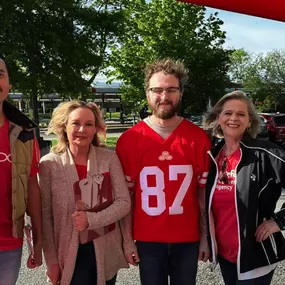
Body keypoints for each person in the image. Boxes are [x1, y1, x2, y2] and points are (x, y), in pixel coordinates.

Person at [116, 58, 211, 285]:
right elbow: (126, 198)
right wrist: (128, 241)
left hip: (187, 239)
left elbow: (202, 197)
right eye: (157, 90)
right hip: (148, 240)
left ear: (181, 93)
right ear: (147, 93)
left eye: (171, 89)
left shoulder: (198, 139)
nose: (164, 96)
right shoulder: (129, 140)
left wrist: (206, 238)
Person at [38, 100, 131, 285]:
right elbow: (45, 217)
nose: (83, 129)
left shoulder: (108, 159)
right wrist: (51, 261)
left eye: (89, 124)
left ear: (96, 128)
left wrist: (91, 220)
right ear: (64, 126)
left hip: (104, 250)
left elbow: (124, 202)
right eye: (76, 123)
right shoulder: (49, 164)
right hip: (68, 253)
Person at [203, 90, 285, 285]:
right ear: (218, 118)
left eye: (241, 114)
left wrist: (278, 221)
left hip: (255, 255)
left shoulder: (266, 153)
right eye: (228, 113)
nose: (234, 118)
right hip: (224, 254)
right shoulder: (211, 156)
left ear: (250, 121)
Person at [0, 54, 42, 285]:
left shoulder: (24, 133)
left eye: (0, 74)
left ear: (9, 84)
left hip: (8, 244)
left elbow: (33, 187)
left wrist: (38, 241)